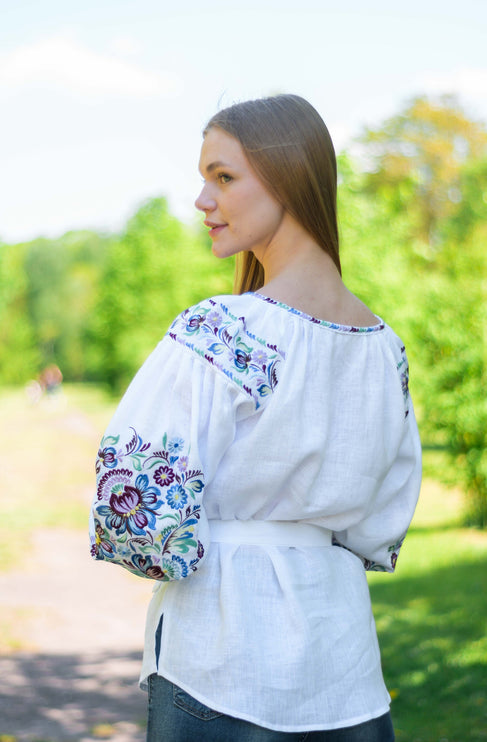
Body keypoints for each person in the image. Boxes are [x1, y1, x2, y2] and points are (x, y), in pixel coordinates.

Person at [89, 94, 421, 741]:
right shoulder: (385, 349)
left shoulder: (221, 329)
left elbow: (134, 507)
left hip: (221, 655)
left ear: (288, 175)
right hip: (343, 660)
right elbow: (381, 525)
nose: (201, 201)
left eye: (223, 176)